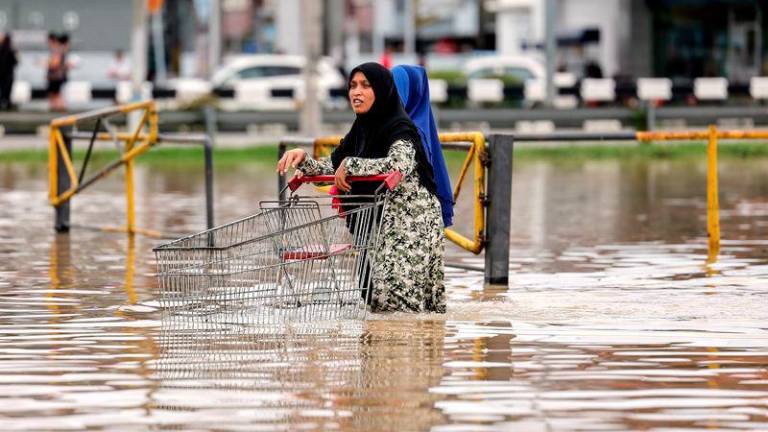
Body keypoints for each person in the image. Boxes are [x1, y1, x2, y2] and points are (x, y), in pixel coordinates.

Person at [277, 62, 446, 313]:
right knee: (376, 300)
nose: (357, 92)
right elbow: (334, 168)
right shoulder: (361, 130)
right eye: (353, 85)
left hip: (410, 225)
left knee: (403, 305)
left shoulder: (401, 129)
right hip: (378, 226)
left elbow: (398, 165)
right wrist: (305, 160)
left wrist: (352, 164)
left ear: (382, 90)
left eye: (366, 86)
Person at [392, 64, 453, 228]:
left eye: (397, 89)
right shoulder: (405, 127)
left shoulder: (413, 134)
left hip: (412, 229)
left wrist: (348, 166)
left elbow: (394, 166)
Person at [0, 32, 18, 110]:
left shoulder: (9, 49)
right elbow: (16, 61)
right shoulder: (11, 49)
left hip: (6, 73)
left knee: (5, 89)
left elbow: (15, 61)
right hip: (7, 73)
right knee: (6, 89)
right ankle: (6, 103)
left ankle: (5, 102)